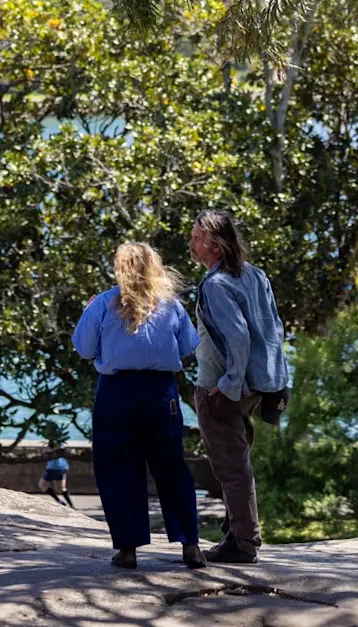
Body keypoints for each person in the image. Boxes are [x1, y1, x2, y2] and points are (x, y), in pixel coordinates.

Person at [72, 241, 206, 571]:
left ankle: (129, 549)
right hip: (161, 392)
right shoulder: (170, 304)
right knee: (171, 464)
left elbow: (84, 349)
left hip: (116, 391)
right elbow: (189, 345)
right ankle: (190, 545)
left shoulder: (103, 303)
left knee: (118, 467)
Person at [189, 210, 289, 565]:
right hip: (256, 387)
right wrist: (279, 379)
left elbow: (239, 337)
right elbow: (274, 330)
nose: (191, 243)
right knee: (238, 459)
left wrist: (226, 387)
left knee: (230, 465)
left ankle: (244, 542)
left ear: (214, 245)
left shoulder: (215, 286)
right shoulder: (255, 275)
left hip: (223, 389)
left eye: (197, 238)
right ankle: (236, 531)